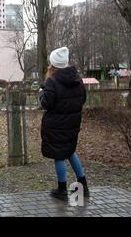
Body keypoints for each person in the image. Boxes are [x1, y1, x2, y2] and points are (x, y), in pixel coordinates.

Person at [39, 47, 89, 200]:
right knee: (69, 151)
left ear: (53, 64)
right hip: (72, 124)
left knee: (59, 155)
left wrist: (41, 93)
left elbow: (47, 103)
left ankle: (62, 189)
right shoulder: (77, 79)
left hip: (56, 125)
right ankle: (83, 186)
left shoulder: (52, 81)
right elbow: (83, 99)